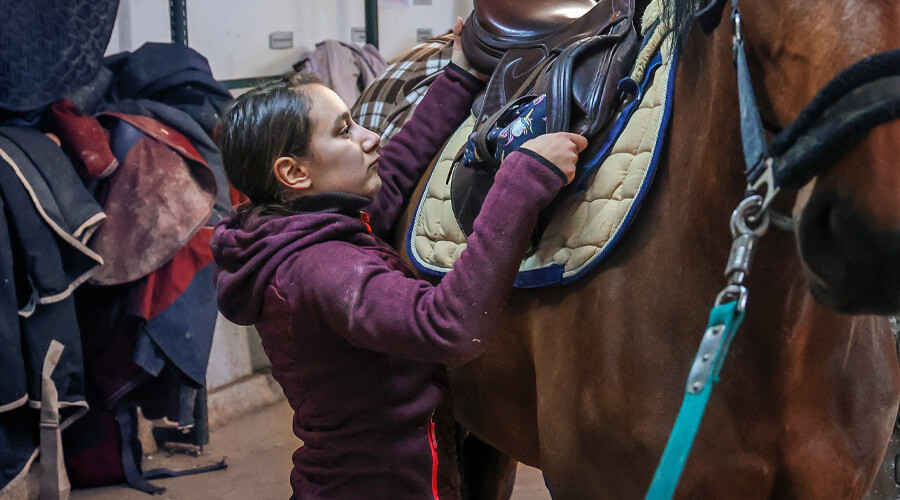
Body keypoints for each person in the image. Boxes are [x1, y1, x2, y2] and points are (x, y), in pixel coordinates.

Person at [211, 17, 588, 500]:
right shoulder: (323, 269)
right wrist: (522, 181)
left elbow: (392, 177)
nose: (370, 137)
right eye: (344, 131)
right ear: (294, 172)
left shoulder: (297, 231)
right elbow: (447, 326)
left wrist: (461, 75)